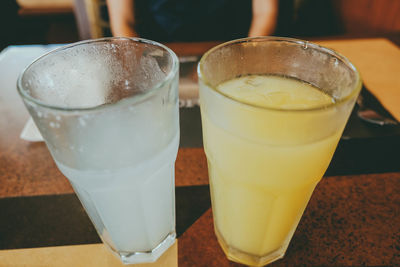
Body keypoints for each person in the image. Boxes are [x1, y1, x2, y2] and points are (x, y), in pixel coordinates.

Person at [106, 0, 278, 42]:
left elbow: (265, 12)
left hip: (237, 43)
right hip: (160, 50)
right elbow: (123, 22)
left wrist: (246, 57)